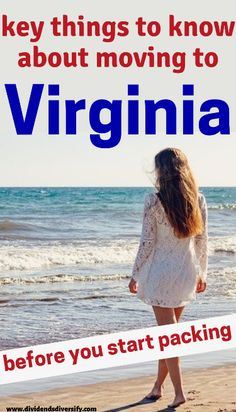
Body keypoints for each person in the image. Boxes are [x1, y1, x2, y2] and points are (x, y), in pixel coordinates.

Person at [128, 147, 208, 408]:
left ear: (161, 171)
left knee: (168, 338)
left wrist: (135, 273)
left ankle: (179, 393)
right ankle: (158, 386)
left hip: (160, 276)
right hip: (185, 274)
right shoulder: (198, 200)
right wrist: (202, 273)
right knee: (169, 335)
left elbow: (147, 242)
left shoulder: (153, 200)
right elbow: (202, 242)